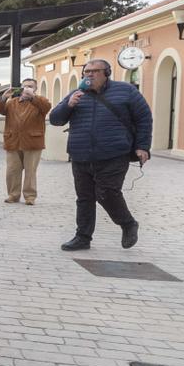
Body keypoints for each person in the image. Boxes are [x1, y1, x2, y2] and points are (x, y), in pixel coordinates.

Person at [49, 59, 153, 251]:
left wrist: (143, 146)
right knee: (84, 197)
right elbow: (55, 119)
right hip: (81, 153)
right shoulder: (76, 94)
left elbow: (144, 118)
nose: (89, 75)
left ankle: (128, 223)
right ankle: (83, 237)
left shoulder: (126, 91)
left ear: (107, 73)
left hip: (114, 152)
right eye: (86, 71)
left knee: (107, 193)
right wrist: (68, 105)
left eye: (95, 71)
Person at [0, 78, 51, 205]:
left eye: (30, 86)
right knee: (12, 170)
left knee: (30, 171)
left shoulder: (40, 102)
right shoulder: (12, 103)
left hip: (32, 142)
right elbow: (0, 110)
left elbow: (46, 107)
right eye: (25, 86)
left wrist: (32, 97)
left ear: (35, 89)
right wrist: (3, 98)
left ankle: (30, 197)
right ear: (20, 88)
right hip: (13, 141)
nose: (27, 88)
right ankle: (13, 195)